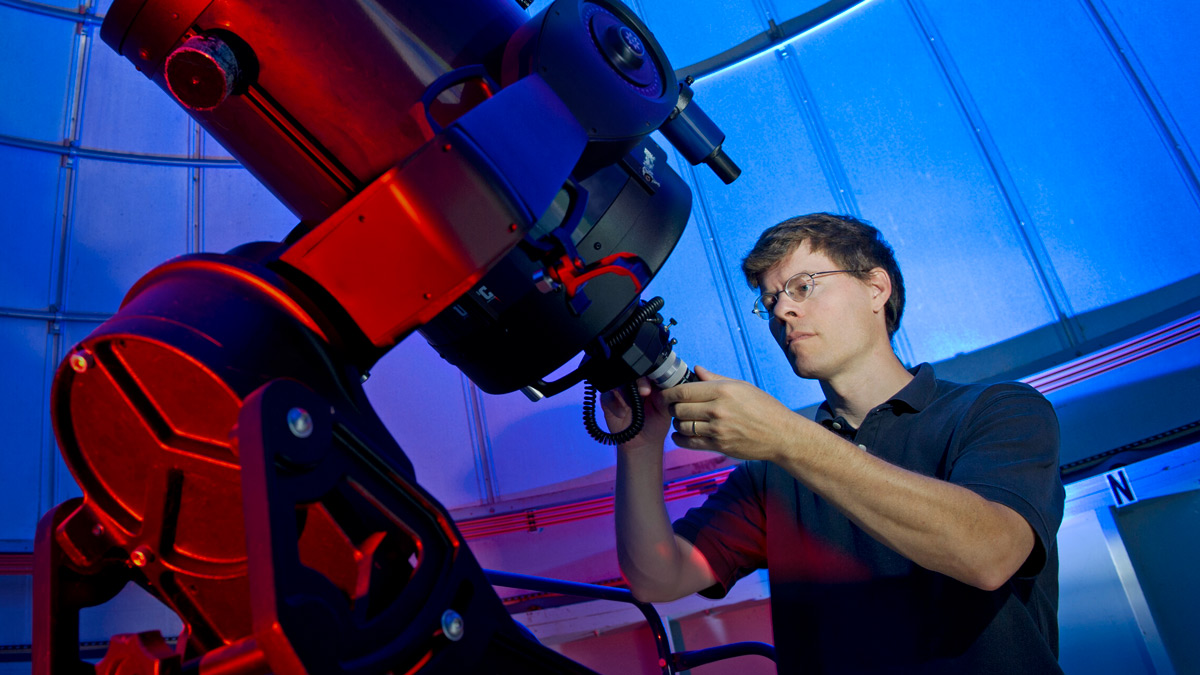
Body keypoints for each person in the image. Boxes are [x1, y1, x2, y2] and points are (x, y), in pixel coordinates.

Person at [602, 213, 1065, 673]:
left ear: (875, 288)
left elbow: (989, 554)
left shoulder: (996, 409)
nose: (782, 311)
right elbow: (656, 577)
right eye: (769, 300)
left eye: (803, 286)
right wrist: (639, 445)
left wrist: (787, 437)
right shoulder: (771, 472)